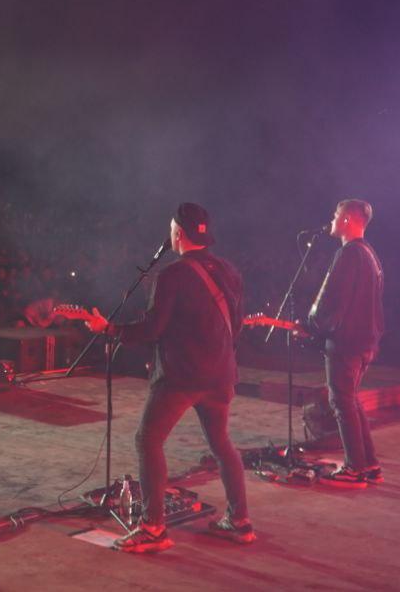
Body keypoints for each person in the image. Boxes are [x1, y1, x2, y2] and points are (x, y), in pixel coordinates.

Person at [81, 203, 252, 554]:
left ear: (177, 234)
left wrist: (109, 329)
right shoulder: (229, 270)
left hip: (181, 376)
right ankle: (239, 521)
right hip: (220, 374)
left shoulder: (171, 275)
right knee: (221, 443)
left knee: (148, 439)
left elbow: (152, 328)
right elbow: (236, 324)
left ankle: (153, 527)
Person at [303, 199, 385, 486]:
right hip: (365, 339)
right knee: (351, 400)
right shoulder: (370, 254)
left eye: (336, 215)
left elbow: (334, 299)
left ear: (348, 219)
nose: (332, 219)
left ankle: (354, 468)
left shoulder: (349, 255)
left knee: (342, 402)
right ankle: (369, 464)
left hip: (346, 342)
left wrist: (312, 326)